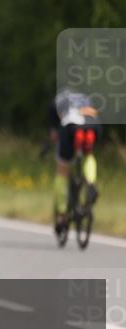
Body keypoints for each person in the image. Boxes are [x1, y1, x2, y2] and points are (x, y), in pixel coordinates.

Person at [48, 88, 101, 232]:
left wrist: (53, 133)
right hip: (92, 125)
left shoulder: (58, 100)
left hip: (71, 127)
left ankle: (61, 215)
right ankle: (90, 182)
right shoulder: (86, 96)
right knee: (88, 155)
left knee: (62, 170)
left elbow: (54, 131)